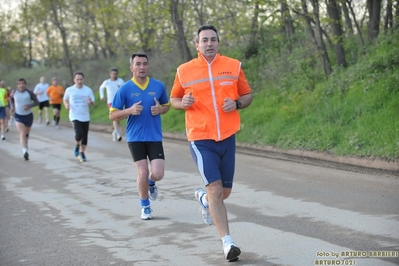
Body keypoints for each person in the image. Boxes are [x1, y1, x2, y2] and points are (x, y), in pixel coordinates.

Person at [170, 24, 252, 262]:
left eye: (213, 39)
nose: (209, 43)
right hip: (200, 137)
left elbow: (247, 95)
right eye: (204, 40)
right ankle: (228, 242)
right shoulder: (184, 70)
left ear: (218, 43)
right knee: (215, 189)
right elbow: (174, 98)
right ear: (197, 44)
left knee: (223, 192)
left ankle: (204, 199)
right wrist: (182, 103)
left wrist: (236, 104)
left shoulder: (233, 66)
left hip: (228, 136)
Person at [109, 53, 170, 220]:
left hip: (154, 136)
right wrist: (129, 111)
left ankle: (151, 183)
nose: (141, 67)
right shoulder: (125, 89)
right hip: (135, 137)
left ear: (147, 66)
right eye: (138, 64)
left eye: (144, 64)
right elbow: (113, 115)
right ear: (131, 68)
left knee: (157, 174)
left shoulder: (158, 86)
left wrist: (160, 110)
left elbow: (166, 106)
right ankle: (145, 207)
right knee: (142, 172)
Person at [63, 72, 95, 162]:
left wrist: (90, 102)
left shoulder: (88, 90)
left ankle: (82, 153)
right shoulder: (69, 90)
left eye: (81, 79)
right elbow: (65, 99)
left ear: (83, 79)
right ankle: (77, 145)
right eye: (77, 79)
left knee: (85, 137)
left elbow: (93, 103)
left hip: (85, 116)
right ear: (74, 80)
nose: (79, 81)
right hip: (74, 115)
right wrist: (66, 105)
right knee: (79, 134)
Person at [9, 78, 39, 160]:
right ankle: (25, 151)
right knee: (22, 133)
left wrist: (29, 106)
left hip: (28, 116)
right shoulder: (14, 92)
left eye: (23, 83)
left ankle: (25, 144)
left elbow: (37, 102)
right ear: (17, 85)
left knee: (26, 133)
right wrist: (12, 106)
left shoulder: (29, 92)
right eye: (19, 83)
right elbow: (10, 98)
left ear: (25, 84)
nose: (21, 85)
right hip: (18, 115)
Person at [99, 68, 124, 141]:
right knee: (115, 116)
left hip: (119, 101)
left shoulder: (120, 81)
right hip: (110, 102)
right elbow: (101, 88)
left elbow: (125, 89)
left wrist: (121, 88)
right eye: (113, 74)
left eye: (115, 74)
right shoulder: (107, 82)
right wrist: (102, 96)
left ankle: (115, 132)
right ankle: (117, 132)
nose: (114, 75)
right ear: (110, 74)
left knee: (118, 117)